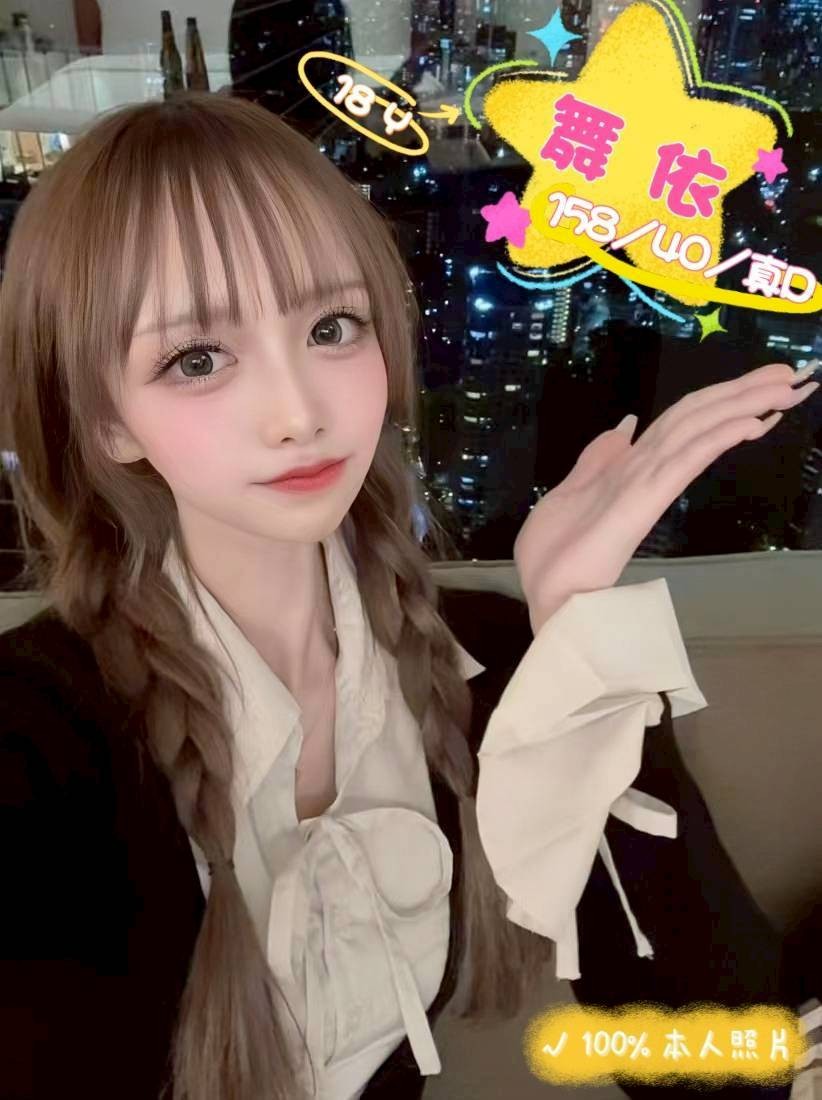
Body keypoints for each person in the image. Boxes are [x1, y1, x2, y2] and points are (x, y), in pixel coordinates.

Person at [0, 89, 817, 1100]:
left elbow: (724, 1063)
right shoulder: (38, 728)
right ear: (107, 422)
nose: (297, 412)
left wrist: (578, 625)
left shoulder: (488, 660)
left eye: (332, 326)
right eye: (197, 359)